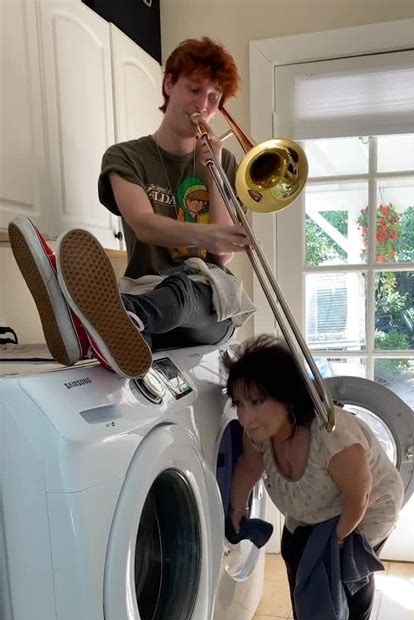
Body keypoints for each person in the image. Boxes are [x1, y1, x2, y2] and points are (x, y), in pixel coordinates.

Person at [8, 36, 254, 378]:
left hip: (209, 305)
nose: (203, 105)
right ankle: (113, 325)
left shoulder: (225, 165)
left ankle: (87, 318)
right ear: (169, 84)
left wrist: (214, 170)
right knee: (162, 302)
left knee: (183, 287)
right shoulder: (126, 157)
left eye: (214, 98)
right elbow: (143, 224)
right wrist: (209, 233)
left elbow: (222, 256)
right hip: (148, 292)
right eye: (194, 90)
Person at [225, 336, 404, 620]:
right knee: (296, 556)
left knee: (348, 572)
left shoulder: (332, 435)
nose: (246, 417)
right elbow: (249, 466)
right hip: (312, 507)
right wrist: (238, 508)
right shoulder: (258, 432)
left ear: (288, 397)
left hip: (367, 506)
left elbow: (359, 495)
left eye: (257, 401)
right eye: (239, 404)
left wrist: (337, 540)